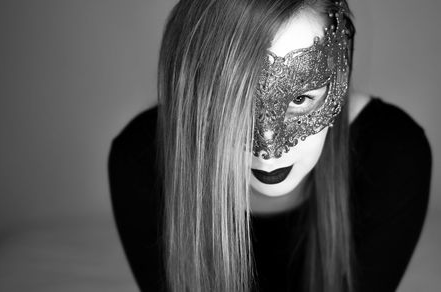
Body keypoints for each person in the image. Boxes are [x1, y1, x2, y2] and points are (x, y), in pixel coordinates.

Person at [108, 0, 432, 291]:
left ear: (341, 77)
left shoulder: (394, 155)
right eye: (234, 103)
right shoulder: (140, 158)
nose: (268, 146)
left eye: (301, 98)